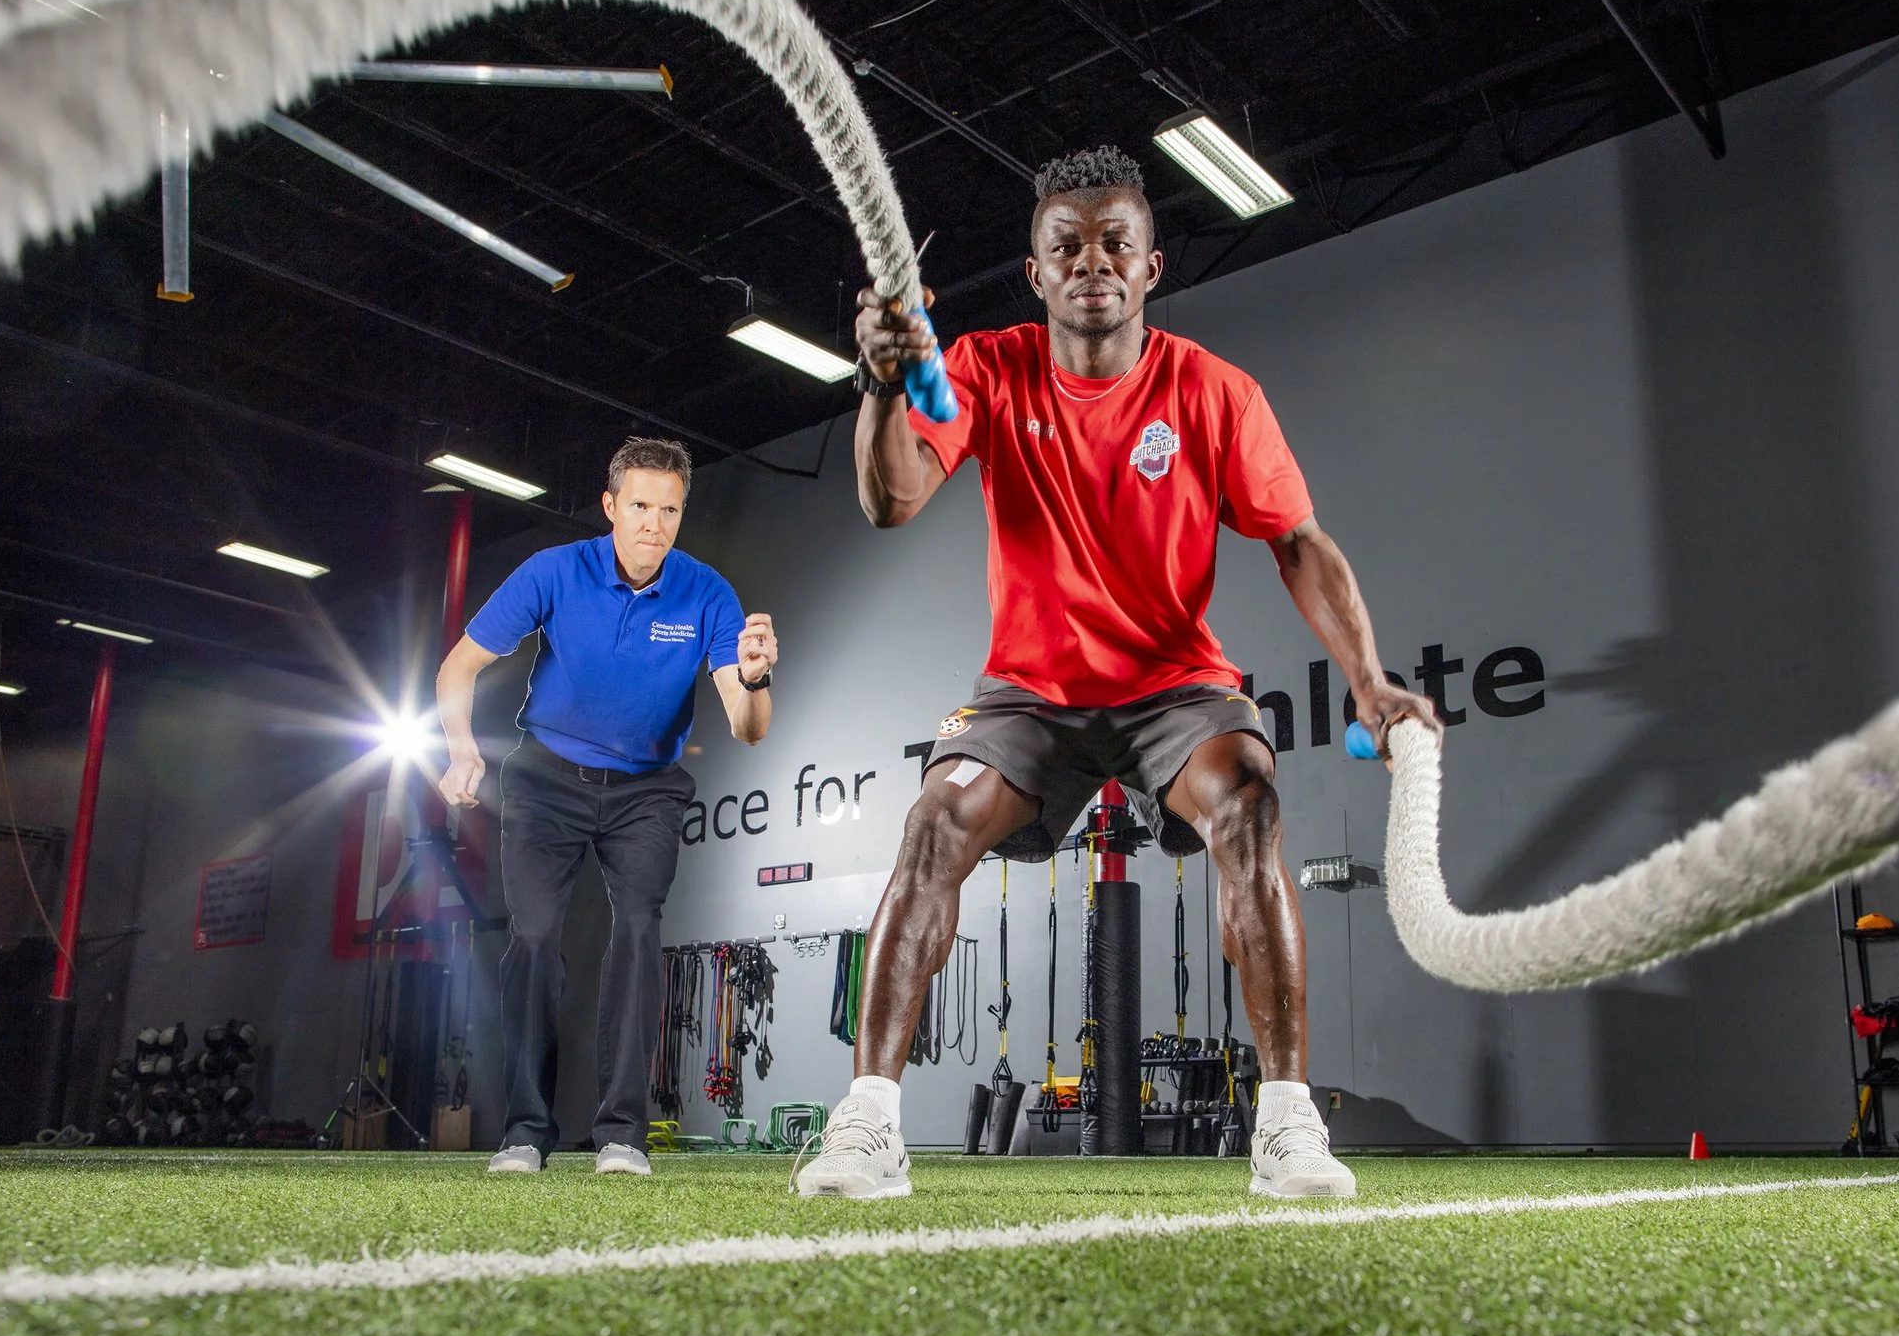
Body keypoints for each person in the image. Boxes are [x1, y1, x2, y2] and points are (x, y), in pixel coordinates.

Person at [794, 146, 1439, 1201]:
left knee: (1252, 808)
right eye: (1067, 246)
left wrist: (1365, 676)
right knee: (931, 824)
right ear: (1036, 272)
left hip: (1172, 687)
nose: (1091, 261)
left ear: (1150, 269)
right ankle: (867, 1124)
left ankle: (1286, 1126)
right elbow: (891, 498)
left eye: (1115, 244)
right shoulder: (989, 370)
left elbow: (1300, 541)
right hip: (1026, 694)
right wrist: (876, 383)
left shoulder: (1211, 391)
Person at [435, 436, 777, 1176]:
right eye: (642, 507)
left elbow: (747, 730)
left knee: (639, 930)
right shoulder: (554, 571)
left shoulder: (707, 593)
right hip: (544, 780)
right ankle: (526, 1130)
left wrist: (752, 681)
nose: (655, 524)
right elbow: (460, 664)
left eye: (670, 510)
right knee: (535, 934)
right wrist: (462, 749)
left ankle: (621, 1131)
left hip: (647, 789)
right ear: (611, 505)